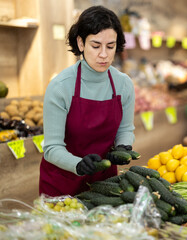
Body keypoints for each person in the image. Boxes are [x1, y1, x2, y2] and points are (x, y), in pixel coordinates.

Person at [39, 6, 138, 197]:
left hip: (106, 184)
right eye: (95, 45)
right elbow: (51, 148)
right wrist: (78, 164)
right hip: (62, 184)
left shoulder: (123, 84)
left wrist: (123, 146)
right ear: (81, 43)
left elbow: (125, 130)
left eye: (110, 46)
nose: (104, 54)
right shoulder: (60, 87)